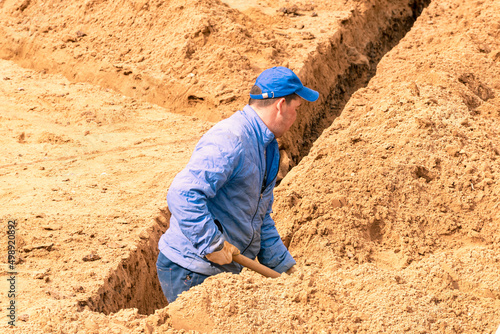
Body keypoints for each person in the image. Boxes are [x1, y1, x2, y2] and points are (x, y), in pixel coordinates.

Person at [156, 66, 319, 303]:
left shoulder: (267, 148)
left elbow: (259, 220)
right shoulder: (232, 138)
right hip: (191, 268)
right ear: (281, 105)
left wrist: (288, 270)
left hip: (223, 271)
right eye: (297, 109)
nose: (296, 117)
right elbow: (183, 193)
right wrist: (211, 244)